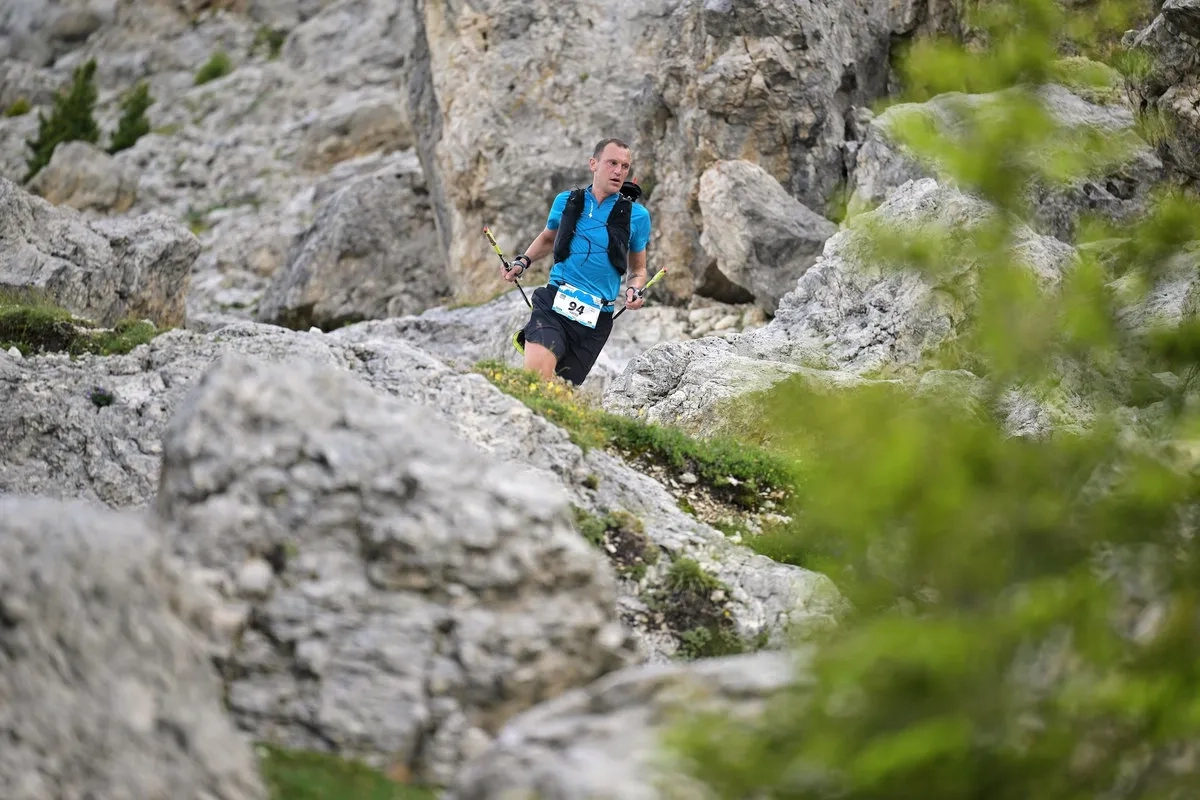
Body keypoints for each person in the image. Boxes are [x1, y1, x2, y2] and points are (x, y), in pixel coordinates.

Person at [500, 137, 652, 386]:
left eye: (625, 166)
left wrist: (634, 290)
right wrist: (522, 262)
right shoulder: (566, 201)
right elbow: (549, 238)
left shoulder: (638, 216)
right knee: (536, 380)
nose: (618, 171)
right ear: (593, 164)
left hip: (596, 319)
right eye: (612, 163)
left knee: (558, 393)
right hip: (554, 304)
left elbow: (638, 269)